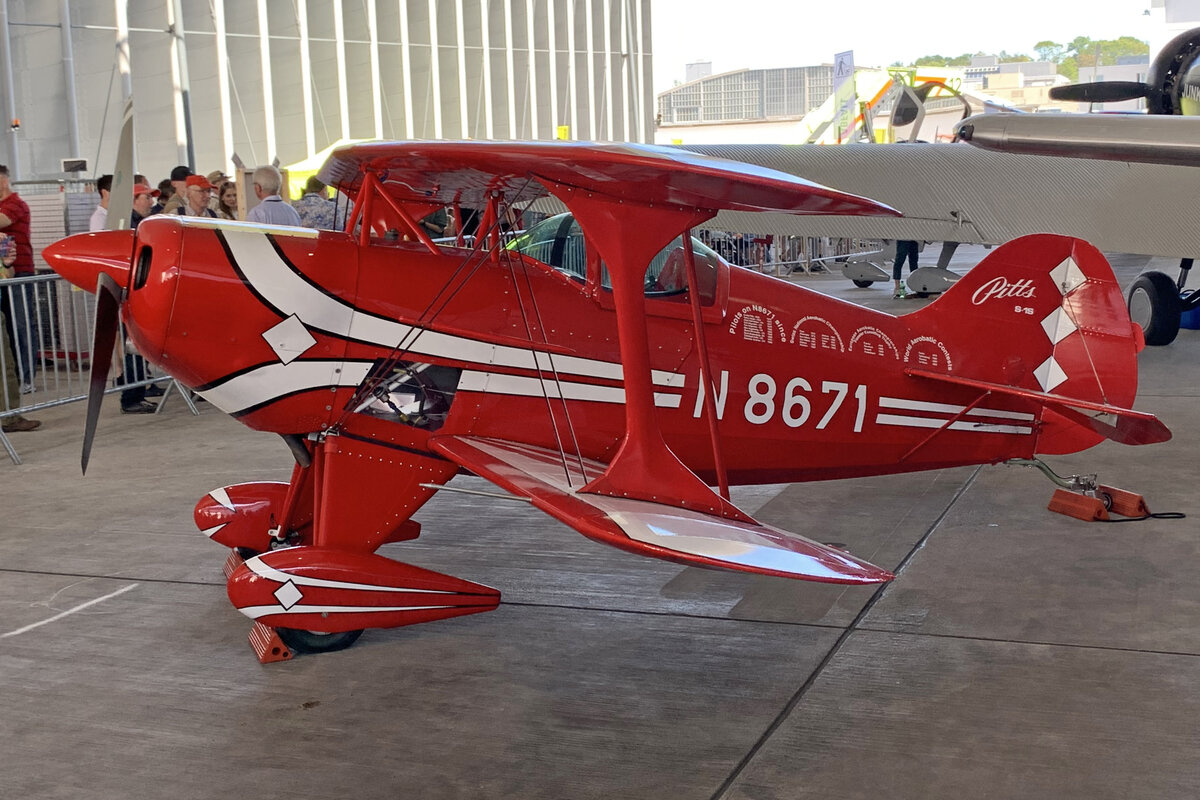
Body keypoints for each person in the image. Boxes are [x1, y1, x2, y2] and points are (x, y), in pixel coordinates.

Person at [91, 179, 158, 414]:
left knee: (137, 346)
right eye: (146, 197)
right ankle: (131, 396)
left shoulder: (141, 223)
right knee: (132, 346)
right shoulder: (128, 224)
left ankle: (140, 387)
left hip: (139, 296)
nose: (151, 202)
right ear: (133, 200)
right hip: (131, 296)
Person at [0, 164, 36, 393]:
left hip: (19, 273)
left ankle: (26, 376)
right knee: (6, 329)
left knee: (21, 326)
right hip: (4, 273)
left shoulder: (16, 204)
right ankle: (12, 376)